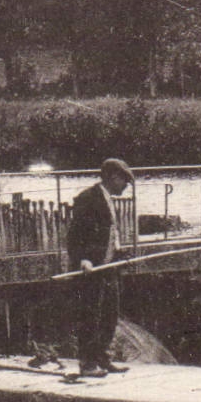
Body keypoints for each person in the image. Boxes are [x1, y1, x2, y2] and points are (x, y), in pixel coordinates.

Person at [66, 158, 133, 376]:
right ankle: (87, 364)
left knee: (109, 314)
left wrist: (119, 251)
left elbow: (108, 233)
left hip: (108, 266)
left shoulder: (108, 199)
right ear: (113, 177)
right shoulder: (88, 198)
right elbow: (76, 235)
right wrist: (82, 259)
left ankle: (104, 358)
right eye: (124, 180)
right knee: (90, 315)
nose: (126, 185)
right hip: (91, 268)